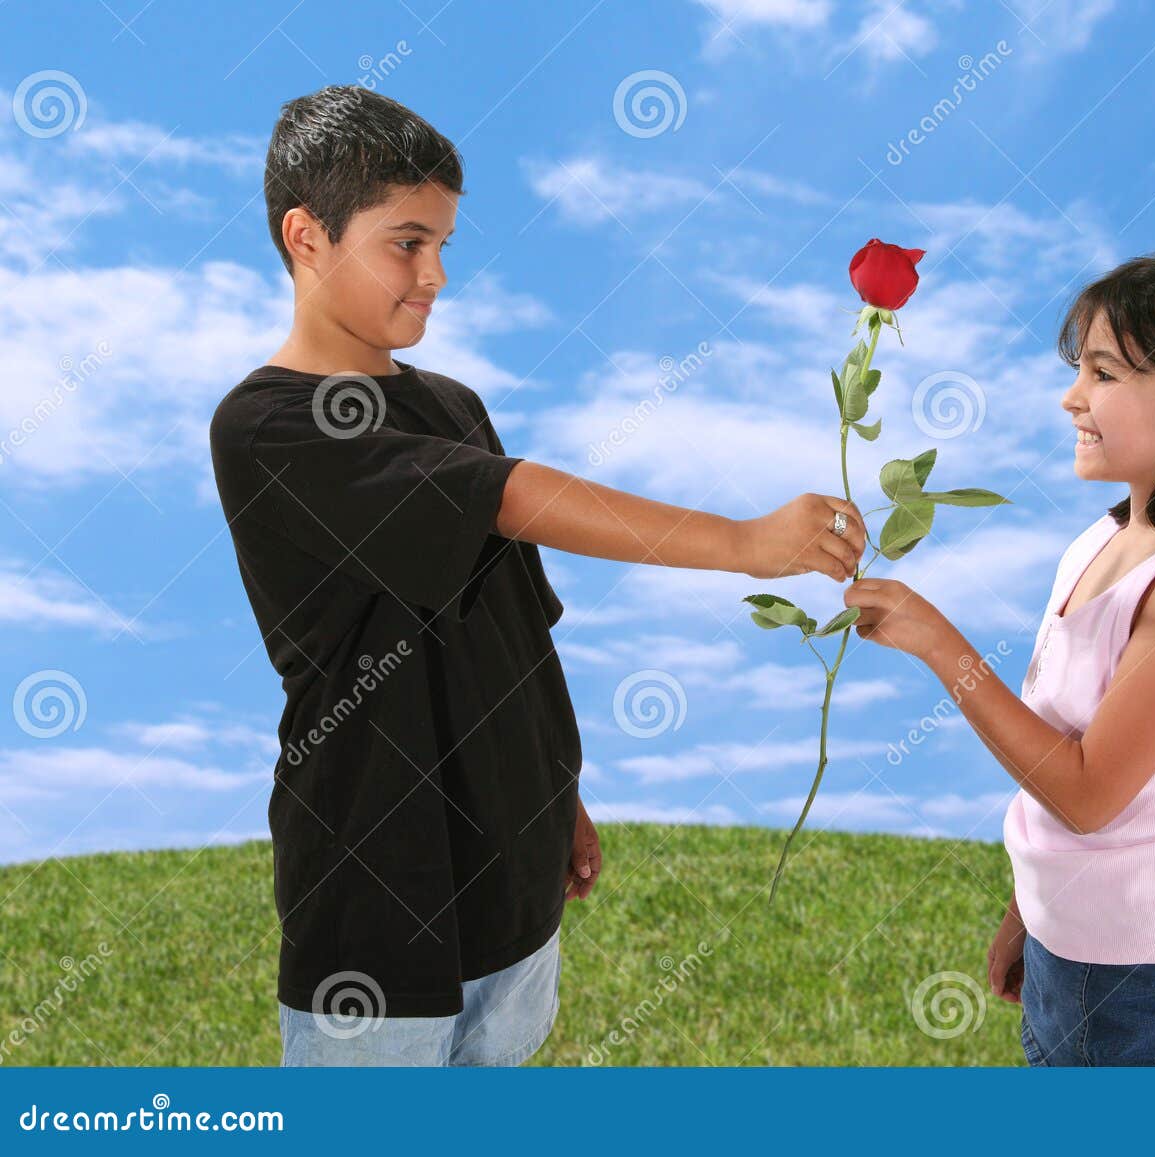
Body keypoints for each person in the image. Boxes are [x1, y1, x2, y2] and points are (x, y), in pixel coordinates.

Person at [208, 85, 865, 1067]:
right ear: (306, 236)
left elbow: (513, 628)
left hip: (510, 887)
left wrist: (558, 791)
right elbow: (510, 498)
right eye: (406, 242)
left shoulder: (455, 402)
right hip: (377, 896)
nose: (435, 275)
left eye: (443, 245)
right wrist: (741, 541)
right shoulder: (268, 424)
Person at [843, 245, 1155, 1066]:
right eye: (1078, 368)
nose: (1072, 397)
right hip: (1076, 952)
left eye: (1105, 374)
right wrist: (1035, 907)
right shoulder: (1106, 539)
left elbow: (1090, 791)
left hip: (1154, 985)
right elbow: (1067, 764)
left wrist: (938, 643)